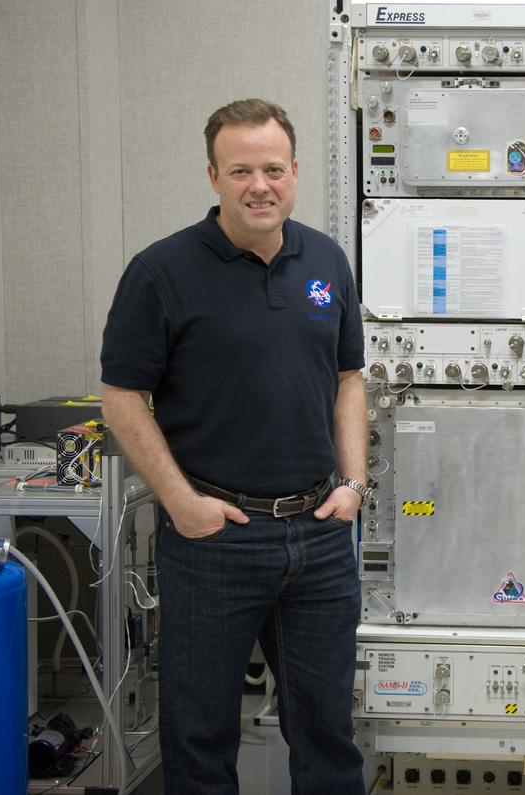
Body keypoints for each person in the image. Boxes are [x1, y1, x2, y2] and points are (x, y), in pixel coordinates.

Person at [100, 99, 369, 794]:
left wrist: (355, 485)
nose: (260, 184)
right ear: (214, 176)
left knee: (327, 735)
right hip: (215, 536)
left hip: (319, 532)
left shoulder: (327, 261)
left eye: (273, 168)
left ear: (295, 172)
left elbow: (347, 379)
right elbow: (122, 399)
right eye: (241, 169)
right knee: (199, 737)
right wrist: (182, 503)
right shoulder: (161, 272)